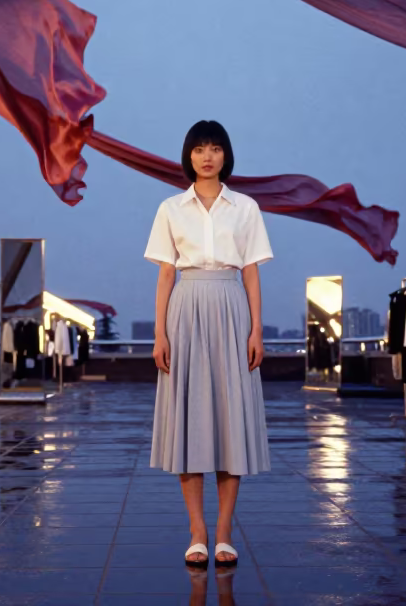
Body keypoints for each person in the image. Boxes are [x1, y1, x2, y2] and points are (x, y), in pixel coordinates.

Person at [144, 119, 273, 568]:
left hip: (231, 306)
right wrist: (160, 333)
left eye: (215, 148)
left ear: (225, 155)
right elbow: (166, 273)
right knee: (189, 420)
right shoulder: (170, 208)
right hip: (186, 308)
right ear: (189, 155)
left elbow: (251, 271)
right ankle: (197, 531)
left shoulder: (245, 207)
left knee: (230, 420)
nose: (207, 156)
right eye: (199, 148)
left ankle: (223, 533)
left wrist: (256, 330)